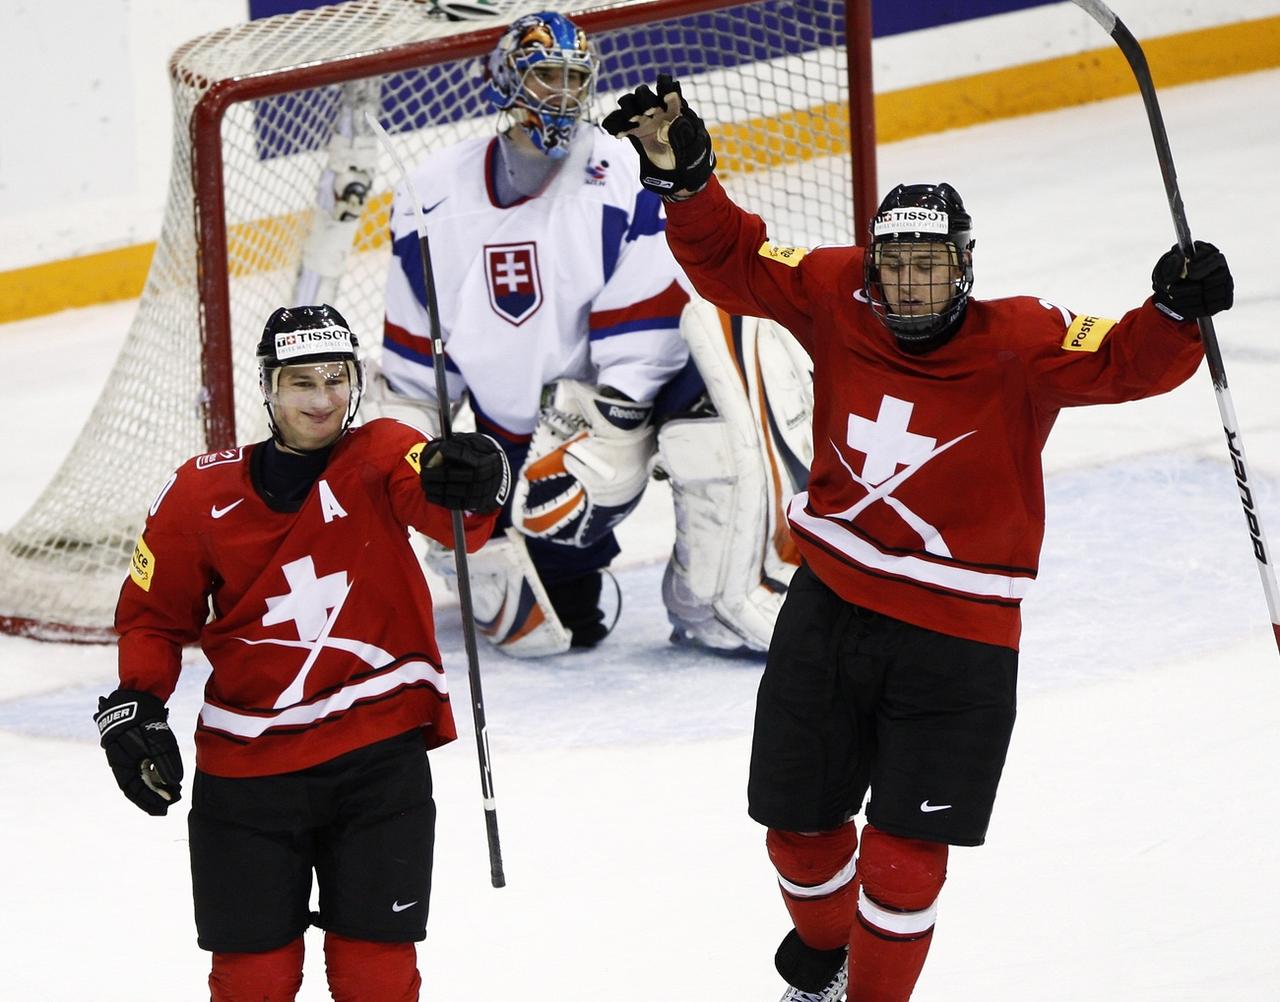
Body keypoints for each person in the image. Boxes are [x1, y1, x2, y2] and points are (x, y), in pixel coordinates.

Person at [603, 77, 1234, 1001]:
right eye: (892, 266)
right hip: (830, 607)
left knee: (902, 861)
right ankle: (827, 960)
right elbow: (734, 263)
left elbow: (1126, 363)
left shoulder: (1022, 337)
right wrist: (686, 177)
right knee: (798, 834)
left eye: (928, 266)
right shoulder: (832, 296)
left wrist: (1176, 313)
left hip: (963, 636)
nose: (908, 284)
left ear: (964, 266)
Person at [92, 304, 509, 1002]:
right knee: (251, 981)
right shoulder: (199, 493)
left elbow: (452, 518)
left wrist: (475, 476)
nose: (321, 400)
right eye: (300, 381)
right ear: (268, 387)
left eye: (336, 379)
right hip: (248, 773)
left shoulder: (383, 451)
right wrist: (138, 701)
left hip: (379, 760)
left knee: (378, 976)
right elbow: (152, 620)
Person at [374, 11, 813, 658]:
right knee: (569, 623)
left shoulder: (621, 174)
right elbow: (413, 373)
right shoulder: (428, 195)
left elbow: (646, 334)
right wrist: (426, 475)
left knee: (735, 370)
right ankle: (529, 556)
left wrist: (608, 430)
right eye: (547, 76)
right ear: (504, 83)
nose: (564, 95)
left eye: (576, 79)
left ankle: (724, 592)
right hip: (508, 434)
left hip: (613, 405)